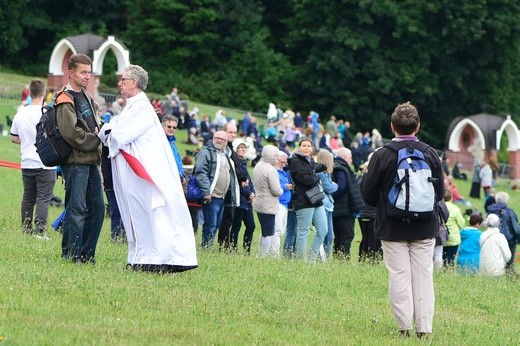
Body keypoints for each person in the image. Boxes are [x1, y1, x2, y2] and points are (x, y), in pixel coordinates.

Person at [99, 64, 197, 273]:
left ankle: (155, 258)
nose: (119, 83)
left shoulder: (141, 108)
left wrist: (109, 131)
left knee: (149, 214)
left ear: (133, 83)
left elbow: (118, 134)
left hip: (143, 174)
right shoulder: (133, 107)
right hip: (133, 172)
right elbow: (110, 129)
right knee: (137, 214)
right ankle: (141, 257)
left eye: (123, 80)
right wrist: (109, 130)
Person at [360, 102, 444, 338]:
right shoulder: (430, 154)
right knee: (423, 276)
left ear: (392, 127)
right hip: (425, 226)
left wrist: (389, 206)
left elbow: (367, 193)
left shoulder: (382, 155)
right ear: (418, 126)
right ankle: (424, 328)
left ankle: (404, 327)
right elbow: (438, 194)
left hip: (392, 226)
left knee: (399, 275)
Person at [56, 54, 105, 263]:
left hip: (92, 161)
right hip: (75, 162)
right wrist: (97, 139)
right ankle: (70, 255)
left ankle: (86, 255)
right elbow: (72, 134)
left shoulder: (86, 96)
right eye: (83, 72)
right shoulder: (64, 99)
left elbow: (96, 124)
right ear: (71, 73)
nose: (87, 76)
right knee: (75, 210)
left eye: (89, 72)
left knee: (98, 209)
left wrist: (103, 131)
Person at [10, 79, 57, 239]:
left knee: (28, 197)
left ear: (30, 93)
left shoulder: (20, 113)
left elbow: (13, 138)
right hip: (46, 162)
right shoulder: (48, 113)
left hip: (27, 161)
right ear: (44, 93)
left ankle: (26, 228)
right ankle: (40, 230)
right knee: (43, 197)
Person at [194, 131, 239, 248]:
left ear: (226, 142)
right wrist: (206, 191)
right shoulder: (205, 153)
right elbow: (200, 173)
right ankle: (206, 247)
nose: (219, 140)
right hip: (211, 195)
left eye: (222, 139)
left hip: (222, 196)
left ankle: (208, 246)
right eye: (217, 138)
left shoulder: (226, 155)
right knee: (211, 224)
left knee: (217, 224)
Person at [289, 137, 329, 261]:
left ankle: (311, 258)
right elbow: (306, 180)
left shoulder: (310, 161)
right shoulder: (295, 161)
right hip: (303, 200)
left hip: (316, 199)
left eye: (308, 146)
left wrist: (320, 167)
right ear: (299, 147)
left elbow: (320, 166)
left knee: (323, 230)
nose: (306, 148)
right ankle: (301, 261)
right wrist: (317, 178)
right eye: (304, 146)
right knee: (303, 231)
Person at [217, 122, 246, 250]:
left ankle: (225, 244)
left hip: (232, 188)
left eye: (235, 132)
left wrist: (243, 178)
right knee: (222, 218)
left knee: (228, 218)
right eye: (230, 132)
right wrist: (242, 177)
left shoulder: (230, 149)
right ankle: (221, 244)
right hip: (224, 188)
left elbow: (237, 167)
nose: (233, 135)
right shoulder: (224, 149)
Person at [331, 147, 363, 259]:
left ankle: (337, 258)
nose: (351, 160)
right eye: (350, 157)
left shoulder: (334, 166)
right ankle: (343, 259)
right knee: (347, 235)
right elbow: (341, 187)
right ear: (344, 157)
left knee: (339, 236)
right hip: (344, 209)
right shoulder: (341, 168)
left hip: (337, 208)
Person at [253, 145, 284, 257]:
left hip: (259, 201)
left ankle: (261, 253)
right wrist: (282, 190)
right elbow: (276, 190)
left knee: (264, 229)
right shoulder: (271, 170)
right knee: (269, 232)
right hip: (268, 204)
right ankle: (263, 255)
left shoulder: (258, 166)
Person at [229, 138, 256, 253]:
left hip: (247, 200)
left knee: (251, 226)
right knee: (236, 226)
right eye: (239, 147)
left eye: (244, 147)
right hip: (240, 199)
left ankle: (246, 250)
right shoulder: (234, 163)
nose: (242, 150)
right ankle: (233, 249)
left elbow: (248, 181)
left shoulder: (243, 163)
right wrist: (248, 193)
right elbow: (240, 183)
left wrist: (253, 192)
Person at [486, 191, 518, 274]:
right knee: (509, 262)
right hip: (509, 239)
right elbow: (515, 224)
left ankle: (495, 272)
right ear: (506, 200)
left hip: (493, 237)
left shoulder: (490, 210)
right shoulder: (509, 211)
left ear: (496, 200)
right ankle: (509, 273)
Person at [357, 160, 382, 263]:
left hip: (362, 213)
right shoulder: (370, 182)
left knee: (365, 237)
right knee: (372, 238)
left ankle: (362, 258)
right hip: (371, 213)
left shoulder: (359, 180)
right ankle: (372, 259)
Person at [315, 149, 338, 258]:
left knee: (329, 235)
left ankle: (326, 258)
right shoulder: (321, 174)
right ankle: (322, 258)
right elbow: (329, 188)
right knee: (325, 234)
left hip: (329, 206)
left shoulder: (326, 174)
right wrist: (335, 185)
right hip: (324, 205)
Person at [273, 151, 293, 257]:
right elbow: (275, 186)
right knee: (277, 229)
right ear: (276, 160)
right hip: (278, 202)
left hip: (285, 204)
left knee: (281, 230)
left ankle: (274, 252)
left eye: (285, 163)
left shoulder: (284, 173)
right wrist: (286, 187)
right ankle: (274, 254)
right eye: (282, 162)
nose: (283, 164)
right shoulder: (274, 172)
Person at [162, 115, 184, 182]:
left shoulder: (172, 143)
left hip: (176, 179)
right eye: (169, 126)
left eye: (174, 127)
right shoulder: (159, 142)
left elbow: (178, 161)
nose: (171, 129)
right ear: (162, 126)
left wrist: (181, 175)